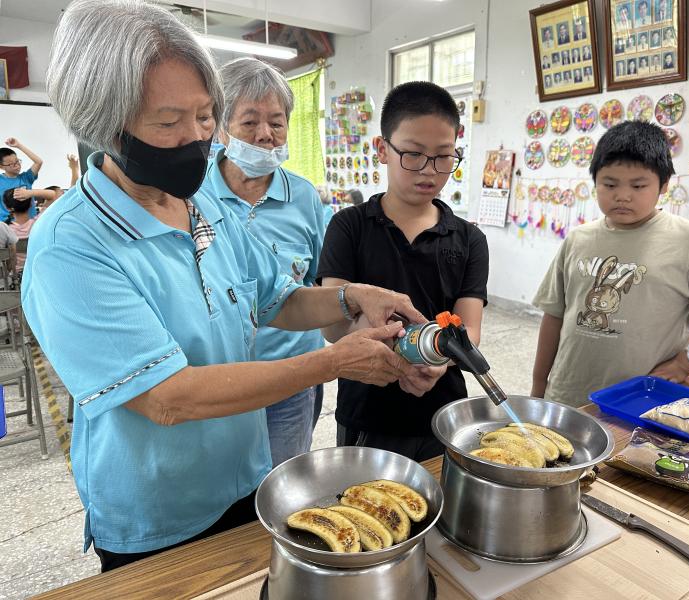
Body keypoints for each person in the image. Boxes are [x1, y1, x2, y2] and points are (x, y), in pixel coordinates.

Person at [28, 0, 423, 572]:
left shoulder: (203, 203)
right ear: (104, 126)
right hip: (162, 512)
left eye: (207, 115)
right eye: (169, 122)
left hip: (247, 477)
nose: (197, 139)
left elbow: (274, 299)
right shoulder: (73, 245)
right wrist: (331, 362)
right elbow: (168, 397)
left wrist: (350, 296)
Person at [318, 81, 489, 462]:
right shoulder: (349, 227)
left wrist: (438, 361)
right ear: (383, 149)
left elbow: (470, 330)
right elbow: (332, 326)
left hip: (443, 412)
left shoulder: (469, 239)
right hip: (367, 410)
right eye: (413, 154)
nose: (429, 171)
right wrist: (402, 352)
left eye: (444, 157)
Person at [531, 121, 689, 407]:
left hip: (641, 401)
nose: (622, 195)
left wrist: (686, 363)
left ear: (663, 185)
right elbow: (554, 316)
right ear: (595, 181)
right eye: (609, 184)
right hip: (566, 396)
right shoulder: (578, 239)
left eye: (638, 185)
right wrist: (539, 386)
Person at [199, 57, 328, 468]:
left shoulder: (304, 197)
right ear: (221, 128)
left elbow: (317, 279)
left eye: (277, 122)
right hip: (218, 380)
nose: (266, 135)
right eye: (250, 122)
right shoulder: (192, 193)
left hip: (291, 376)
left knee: (283, 484)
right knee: (225, 494)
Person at [3, 187, 57, 276]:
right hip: (39, 275)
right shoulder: (40, 221)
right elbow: (52, 195)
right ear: (32, 204)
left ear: (8, 208)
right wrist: (29, 193)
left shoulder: (6, 230)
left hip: (14, 279)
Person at [0, 139, 42, 221]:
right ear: (1, 167)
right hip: (8, 226)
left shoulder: (26, 178)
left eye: (17, 161)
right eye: (11, 164)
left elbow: (39, 162)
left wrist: (19, 145)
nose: (17, 166)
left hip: (30, 223)